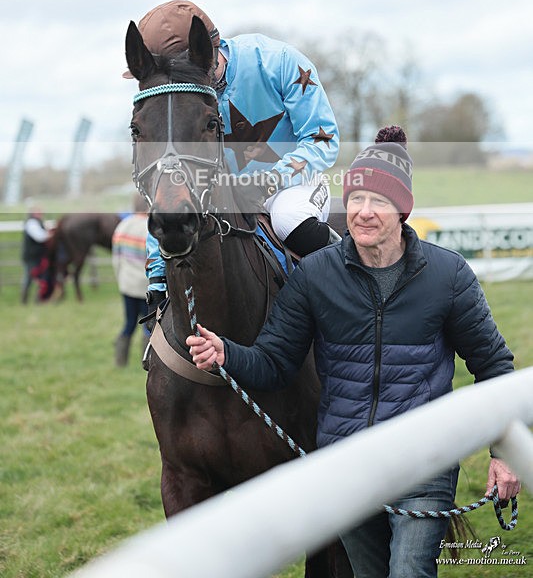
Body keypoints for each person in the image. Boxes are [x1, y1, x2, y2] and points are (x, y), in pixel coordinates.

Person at [186, 125, 521, 578]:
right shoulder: (315, 276)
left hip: (424, 460)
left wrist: (505, 452)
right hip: (347, 465)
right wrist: (227, 354)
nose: (363, 212)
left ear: (402, 209)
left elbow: (494, 366)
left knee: (409, 571)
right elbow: (275, 363)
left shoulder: (448, 275)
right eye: (356, 199)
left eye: (378, 201)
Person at [124, 0, 340, 311]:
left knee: (288, 220)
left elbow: (323, 139)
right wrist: (157, 271)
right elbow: (169, 185)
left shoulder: (279, 62)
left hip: (292, 184)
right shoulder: (178, 102)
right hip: (222, 193)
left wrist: (267, 182)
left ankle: (355, 287)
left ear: (207, 53)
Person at [111, 195, 151, 366]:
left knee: (129, 323)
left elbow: (116, 258)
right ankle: (148, 362)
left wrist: (121, 279)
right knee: (149, 326)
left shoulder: (123, 226)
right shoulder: (150, 228)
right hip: (146, 287)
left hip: (127, 284)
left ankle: (120, 361)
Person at [21, 208, 50, 304]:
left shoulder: (38, 222)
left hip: (38, 256)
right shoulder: (31, 223)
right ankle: (24, 300)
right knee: (29, 278)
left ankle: (38, 300)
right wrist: (50, 234)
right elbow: (40, 237)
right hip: (32, 257)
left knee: (41, 279)